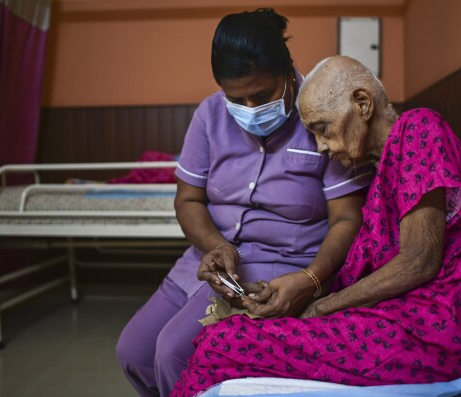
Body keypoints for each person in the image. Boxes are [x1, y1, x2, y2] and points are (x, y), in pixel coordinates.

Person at [169, 56, 461, 397]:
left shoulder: (419, 127)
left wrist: (321, 308)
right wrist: (303, 292)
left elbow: (419, 261)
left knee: (225, 343)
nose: (321, 147)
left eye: (322, 129)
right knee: (229, 336)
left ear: (362, 103)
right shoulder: (380, 169)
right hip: (420, 311)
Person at [115, 12, 371, 397]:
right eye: (236, 98)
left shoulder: (321, 113)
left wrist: (313, 279)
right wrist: (216, 246)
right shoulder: (210, 115)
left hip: (283, 261)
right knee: (133, 352)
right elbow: (188, 199)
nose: (249, 109)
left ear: (287, 74)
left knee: (173, 354)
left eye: (263, 96)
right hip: (212, 258)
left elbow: (348, 217)